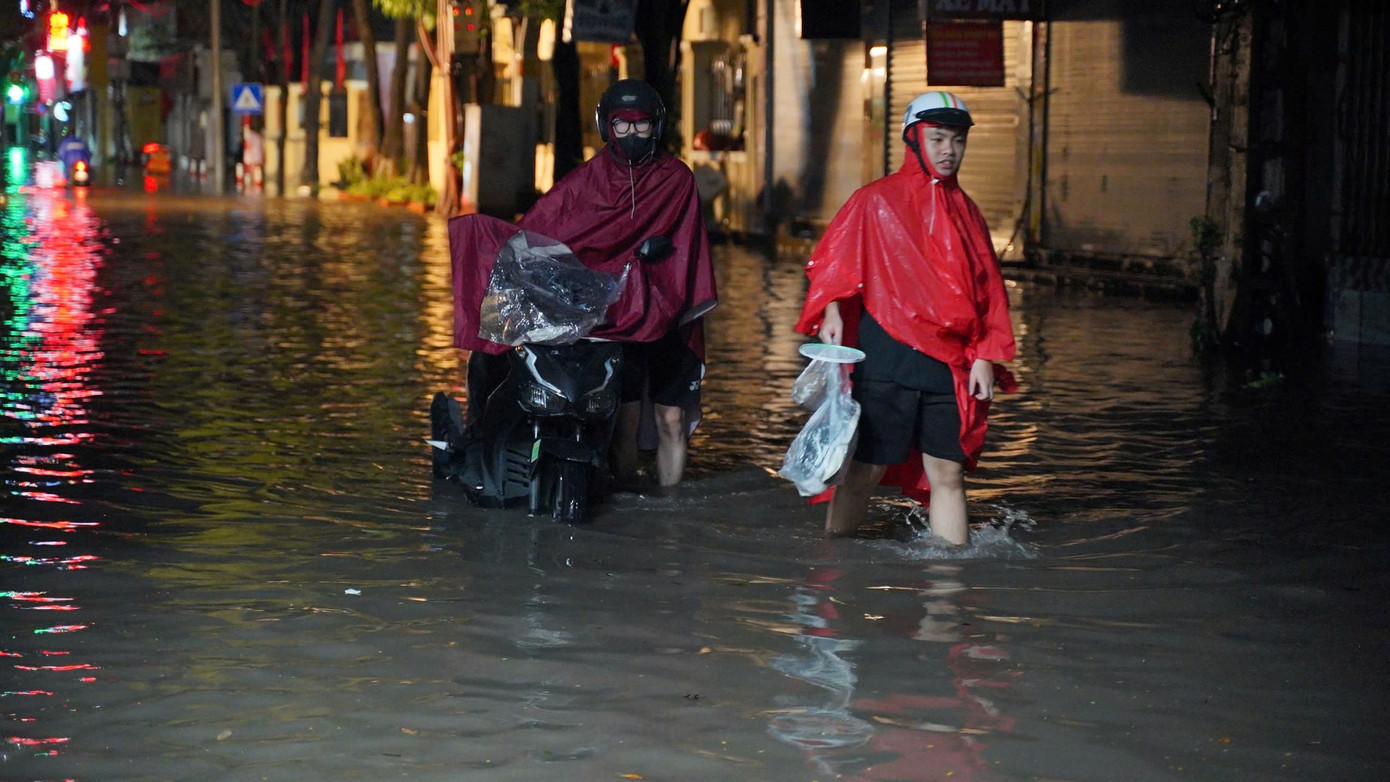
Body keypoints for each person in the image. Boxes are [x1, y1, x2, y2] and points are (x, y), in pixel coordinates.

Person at [448, 78, 717, 488]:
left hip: (668, 313)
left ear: (656, 126)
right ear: (606, 126)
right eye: (621, 124)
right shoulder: (586, 182)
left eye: (640, 124)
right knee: (623, 424)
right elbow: (541, 231)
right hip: (616, 321)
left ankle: (669, 520)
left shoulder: (677, 180)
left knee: (671, 420)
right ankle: (628, 503)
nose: (630, 133)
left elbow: (687, 253)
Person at [793, 91, 1016, 544]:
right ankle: (833, 559)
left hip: (950, 363)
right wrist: (833, 308)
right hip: (887, 357)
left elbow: (989, 291)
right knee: (866, 468)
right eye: (937, 139)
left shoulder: (968, 212)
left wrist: (986, 356)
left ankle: (949, 586)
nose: (948, 150)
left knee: (948, 472)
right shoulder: (874, 201)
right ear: (914, 139)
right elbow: (834, 262)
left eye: (956, 140)